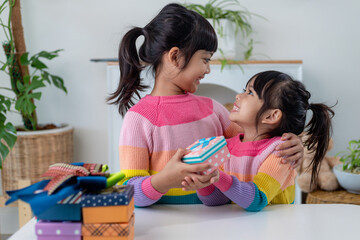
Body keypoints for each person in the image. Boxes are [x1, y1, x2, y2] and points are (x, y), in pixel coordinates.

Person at [108, 3, 304, 207]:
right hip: (164, 225)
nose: (208, 69)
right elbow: (131, 192)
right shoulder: (139, 119)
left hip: (218, 219)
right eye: (205, 59)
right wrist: (165, 180)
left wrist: (293, 144)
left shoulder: (213, 110)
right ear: (175, 56)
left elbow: (258, 138)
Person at [182, 71, 334, 211]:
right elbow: (217, 201)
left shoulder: (280, 152)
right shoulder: (226, 147)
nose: (238, 96)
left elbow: (257, 199)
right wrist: (203, 180)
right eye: (244, 90)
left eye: (249, 92)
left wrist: (217, 176)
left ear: (271, 116)